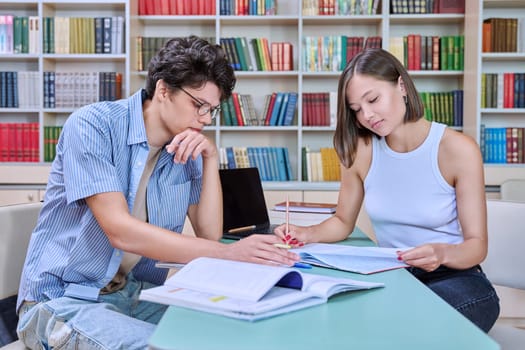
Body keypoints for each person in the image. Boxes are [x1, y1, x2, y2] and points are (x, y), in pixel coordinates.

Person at [16, 36, 299, 350]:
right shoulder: (93, 125)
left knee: (236, 333)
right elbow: (120, 231)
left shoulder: (184, 146)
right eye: (198, 105)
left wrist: (210, 158)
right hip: (62, 302)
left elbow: (209, 234)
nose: (205, 119)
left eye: (212, 110)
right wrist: (230, 253)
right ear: (164, 90)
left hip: (133, 293)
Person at [275, 48, 500, 332]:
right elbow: (343, 222)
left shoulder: (457, 149)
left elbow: (477, 245)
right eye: (356, 109)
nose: (367, 115)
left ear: (401, 86)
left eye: (373, 99)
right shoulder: (361, 152)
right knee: (343, 319)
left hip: (457, 278)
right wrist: (305, 234)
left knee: (410, 326)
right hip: (396, 275)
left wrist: (441, 254)